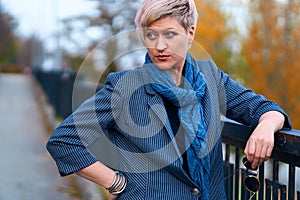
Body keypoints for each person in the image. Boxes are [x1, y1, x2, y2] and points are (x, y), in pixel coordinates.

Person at [46, 0, 292, 199]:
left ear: (190, 33)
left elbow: (265, 108)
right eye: (151, 35)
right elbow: (65, 141)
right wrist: (117, 184)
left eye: (170, 34)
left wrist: (266, 127)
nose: (160, 45)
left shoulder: (211, 77)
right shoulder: (125, 86)